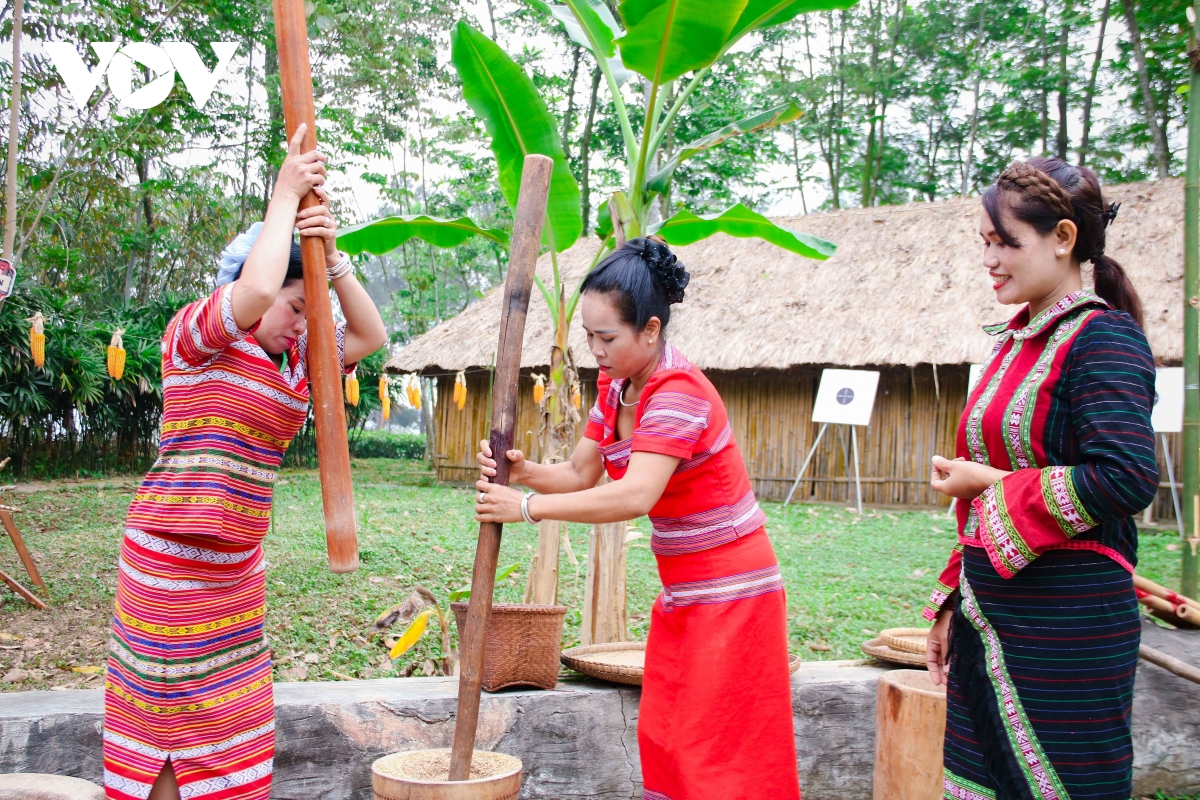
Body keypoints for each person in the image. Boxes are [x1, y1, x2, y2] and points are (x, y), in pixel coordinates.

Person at [103, 124, 387, 800]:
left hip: (236, 576)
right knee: (164, 743)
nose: (300, 321)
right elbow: (256, 295)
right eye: (298, 306)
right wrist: (284, 197)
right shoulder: (195, 339)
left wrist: (332, 261)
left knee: (231, 739)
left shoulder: (300, 366)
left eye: (307, 309)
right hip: (166, 574)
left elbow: (371, 335)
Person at [475, 238, 799, 800]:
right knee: (667, 736)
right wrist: (524, 473)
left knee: (715, 749)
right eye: (589, 337)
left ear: (650, 331)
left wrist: (525, 509)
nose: (595, 350)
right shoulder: (616, 386)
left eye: (608, 338)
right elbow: (579, 474)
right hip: (685, 591)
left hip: (733, 590)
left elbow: (636, 496)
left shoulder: (678, 392)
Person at [924, 158, 1158, 800]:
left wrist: (989, 483)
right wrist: (952, 603)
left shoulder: (1104, 341)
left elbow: (1127, 478)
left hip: (1065, 631)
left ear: (1062, 237)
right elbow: (991, 496)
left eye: (1007, 243)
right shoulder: (1015, 344)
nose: (991, 259)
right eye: (985, 243)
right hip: (990, 616)